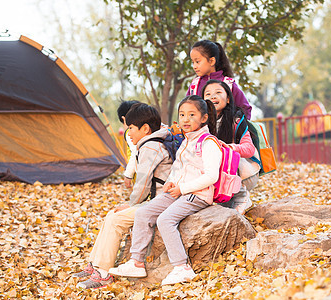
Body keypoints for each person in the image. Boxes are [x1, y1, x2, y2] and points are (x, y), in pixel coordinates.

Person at [109, 95, 222, 285]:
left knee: (165, 219)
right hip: (179, 191)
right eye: (182, 115)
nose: (186, 119)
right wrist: (171, 183)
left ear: (203, 118)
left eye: (191, 114)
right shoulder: (185, 142)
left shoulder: (208, 143)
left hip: (198, 194)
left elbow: (212, 176)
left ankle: (181, 267)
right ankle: (136, 262)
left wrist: (183, 188)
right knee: (144, 212)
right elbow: (178, 168)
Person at [73, 103, 173, 289]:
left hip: (161, 202)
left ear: (145, 128)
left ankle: (103, 274)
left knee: (116, 219)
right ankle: (94, 264)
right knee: (112, 214)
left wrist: (131, 204)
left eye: (131, 129)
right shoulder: (150, 144)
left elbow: (143, 183)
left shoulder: (151, 148)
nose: (129, 134)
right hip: (155, 200)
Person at [202, 79, 259, 214]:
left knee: (224, 155)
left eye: (218, 92)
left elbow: (249, 149)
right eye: (208, 94)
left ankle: (242, 197)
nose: (212, 97)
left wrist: (228, 148)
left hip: (246, 172)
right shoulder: (201, 123)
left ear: (228, 99)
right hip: (219, 174)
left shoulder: (236, 120)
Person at [186, 40, 252, 120]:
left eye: (197, 61)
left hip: (224, 131)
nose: (194, 66)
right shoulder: (194, 85)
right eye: (193, 62)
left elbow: (245, 108)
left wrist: (238, 127)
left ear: (211, 61)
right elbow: (187, 108)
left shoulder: (228, 84)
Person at [116, 100, 140, 188]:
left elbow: (135, 153)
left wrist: (128, 174)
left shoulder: (130, 133)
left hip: (139, 175)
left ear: (123, 118)